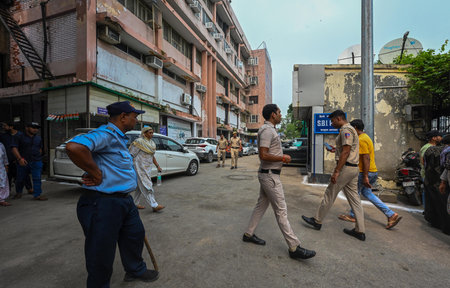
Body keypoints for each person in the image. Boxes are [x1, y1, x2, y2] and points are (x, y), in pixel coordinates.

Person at [66, 101, 159, 287]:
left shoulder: (120, 138)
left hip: (124, 200)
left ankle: (135, 270)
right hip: (102, 203)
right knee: (101, 250)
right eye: (134, 116)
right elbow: (74, 147)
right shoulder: (105, 134)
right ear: (123, 117)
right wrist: (95, 173)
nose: (136, 120)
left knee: (135, 235)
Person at [243, 104, 316, 260]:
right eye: (279, 112)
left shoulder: (269, 130)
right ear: (272, 115)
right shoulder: (268, 131)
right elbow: (263, 155)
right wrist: (283, 157)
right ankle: (294, 246)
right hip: (270, 176)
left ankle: (248, 233)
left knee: (260, 206)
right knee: (281, 210)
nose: (281, 114)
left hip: (267, 174)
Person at [302, 110, 366, 241]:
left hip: (346, 168)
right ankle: (360, 230)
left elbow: (346, 151)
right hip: (353, 168)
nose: (331, 123)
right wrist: (334, 149)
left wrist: (337, 171)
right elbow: (346, 149)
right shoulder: (351, 130)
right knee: (355, 199)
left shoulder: (345, 130)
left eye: (332, 121)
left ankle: (317, 220)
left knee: (329, 193)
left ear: (338, 118)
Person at [338, 119, 402, 229]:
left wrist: (366, 177)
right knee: (368, 194)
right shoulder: (365, 137)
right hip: (371, 171)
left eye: (352, 129)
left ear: (356, 128)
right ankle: (391, 214)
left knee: (355, 194)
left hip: (364, 172)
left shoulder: (361, 140)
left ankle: (354, 216)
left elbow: (366, 158)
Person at [129, 126, 165, 212]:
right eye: (150, 133)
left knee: (139, 186)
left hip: (147, 168)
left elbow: (152, 156)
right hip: (139, 168)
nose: (152, 134)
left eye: (152, 133)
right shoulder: (138, 142)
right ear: (144, 133)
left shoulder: (152, 143)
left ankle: (135, 203)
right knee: (147, 186)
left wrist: (157, 166)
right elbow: (131, 155)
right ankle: (154, 205)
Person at [11, 122, 46, 200]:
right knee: (20, 178)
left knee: (37, 178)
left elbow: (40, 148)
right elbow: (14, 148)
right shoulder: (19, 136)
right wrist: (19, 159)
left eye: (37, 128)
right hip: (23, 161)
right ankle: (19, 192)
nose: (35, 129)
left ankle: (37, 195)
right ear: (27, 128)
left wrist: (39, 157)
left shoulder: (38, 138)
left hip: (36, 161)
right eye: (33, 127)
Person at [0, 122, 33, 194]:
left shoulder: (21, 135)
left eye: (5, 126)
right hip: (8, 159)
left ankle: (29, 188)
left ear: (11, 127)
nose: (4, 127)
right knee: (8, 175)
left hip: (20, 158)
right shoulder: (4, 136)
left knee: (24, 175)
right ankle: (7, 191)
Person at [420, 130, 443, 207]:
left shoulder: (434, 147)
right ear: (433, 138)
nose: (441, 137)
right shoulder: (427, 147)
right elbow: (423, 161)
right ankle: (426, 210)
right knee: (427, 192)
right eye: (439, 136)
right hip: (427, 174)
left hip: (431, 174)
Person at [0, 142, 11, 206]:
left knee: (2, 184)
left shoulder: (1, 145)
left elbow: (4, 157)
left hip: (1, 168)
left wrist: (6, 165)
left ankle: (1, 199)